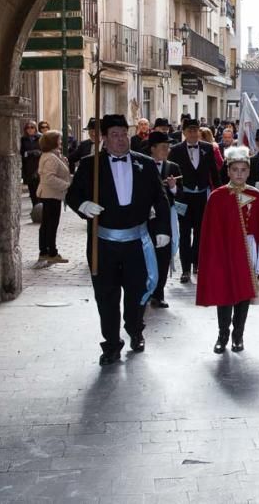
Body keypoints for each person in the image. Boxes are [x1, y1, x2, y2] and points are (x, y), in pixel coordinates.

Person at [66, 114, 172, 365]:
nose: (121, 139)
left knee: (137, 292)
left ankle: (136, 331)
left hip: (137, 243)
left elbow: (161, 199)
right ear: (103, 138)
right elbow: (72, 195)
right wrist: (83, 205)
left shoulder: (145, 164)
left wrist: (163, 229)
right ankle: (111, 344)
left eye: (124, 134)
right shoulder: (90, 165)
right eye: (114, 135)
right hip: (103, 245)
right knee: (106, 295)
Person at [197, 146, 259, 353]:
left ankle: (238, 335)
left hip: (248, 250)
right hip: (224, 251)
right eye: (235, 170)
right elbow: (210, 231)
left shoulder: (257, 196)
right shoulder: (217, 197)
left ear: (248, 171)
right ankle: (222, 334)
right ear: (228, 171)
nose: (239, 174)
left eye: (244, 170)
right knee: (224, 293)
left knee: (244, 293)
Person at [168, 119, 221, 284]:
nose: (192, 133)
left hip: (202, 197)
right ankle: (185, 269)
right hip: (183, 198)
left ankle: (196, 263)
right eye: (189, 130)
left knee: (200, 232)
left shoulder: (207, 148)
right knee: (184, 232)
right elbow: (170, 172)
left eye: (195, 130)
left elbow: (214, 172)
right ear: (183, 132)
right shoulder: (176, 150)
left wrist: (219, 193)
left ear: (199, 131)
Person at [147, 130, 181, 309]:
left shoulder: (173, 167)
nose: (166, 151)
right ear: (152, 148)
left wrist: (174, 187)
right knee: (145, 254)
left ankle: (159, 293)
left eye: (168, 148)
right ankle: (144, 291)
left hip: (166, 216)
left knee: (164, 255)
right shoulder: (141, 164)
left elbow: (180, 193)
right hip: (145, 218)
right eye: (163, 147)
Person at [34, 130, 72, 268]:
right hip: (51, 194)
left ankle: (46, 251)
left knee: (47, 225)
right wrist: (66, 185)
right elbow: (49, 177)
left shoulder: (52, 155)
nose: (61, 142)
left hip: (51, 194)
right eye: (59, 139)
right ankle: (50, 253)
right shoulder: (50, 157)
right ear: (53, 141)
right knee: (50, 225)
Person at [20, 120, 42, 208]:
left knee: (39, 190)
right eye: (27, 127)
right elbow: (22, 153)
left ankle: (41, 209)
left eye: (32, 127)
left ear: (35, 128)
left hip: (39, 167)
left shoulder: (40, 138)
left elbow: (42, 151)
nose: (30, 129)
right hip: (28, 168)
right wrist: (30, 153)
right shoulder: (23, 139)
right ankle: (35, 209)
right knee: (32, 191)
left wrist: (31, 153)